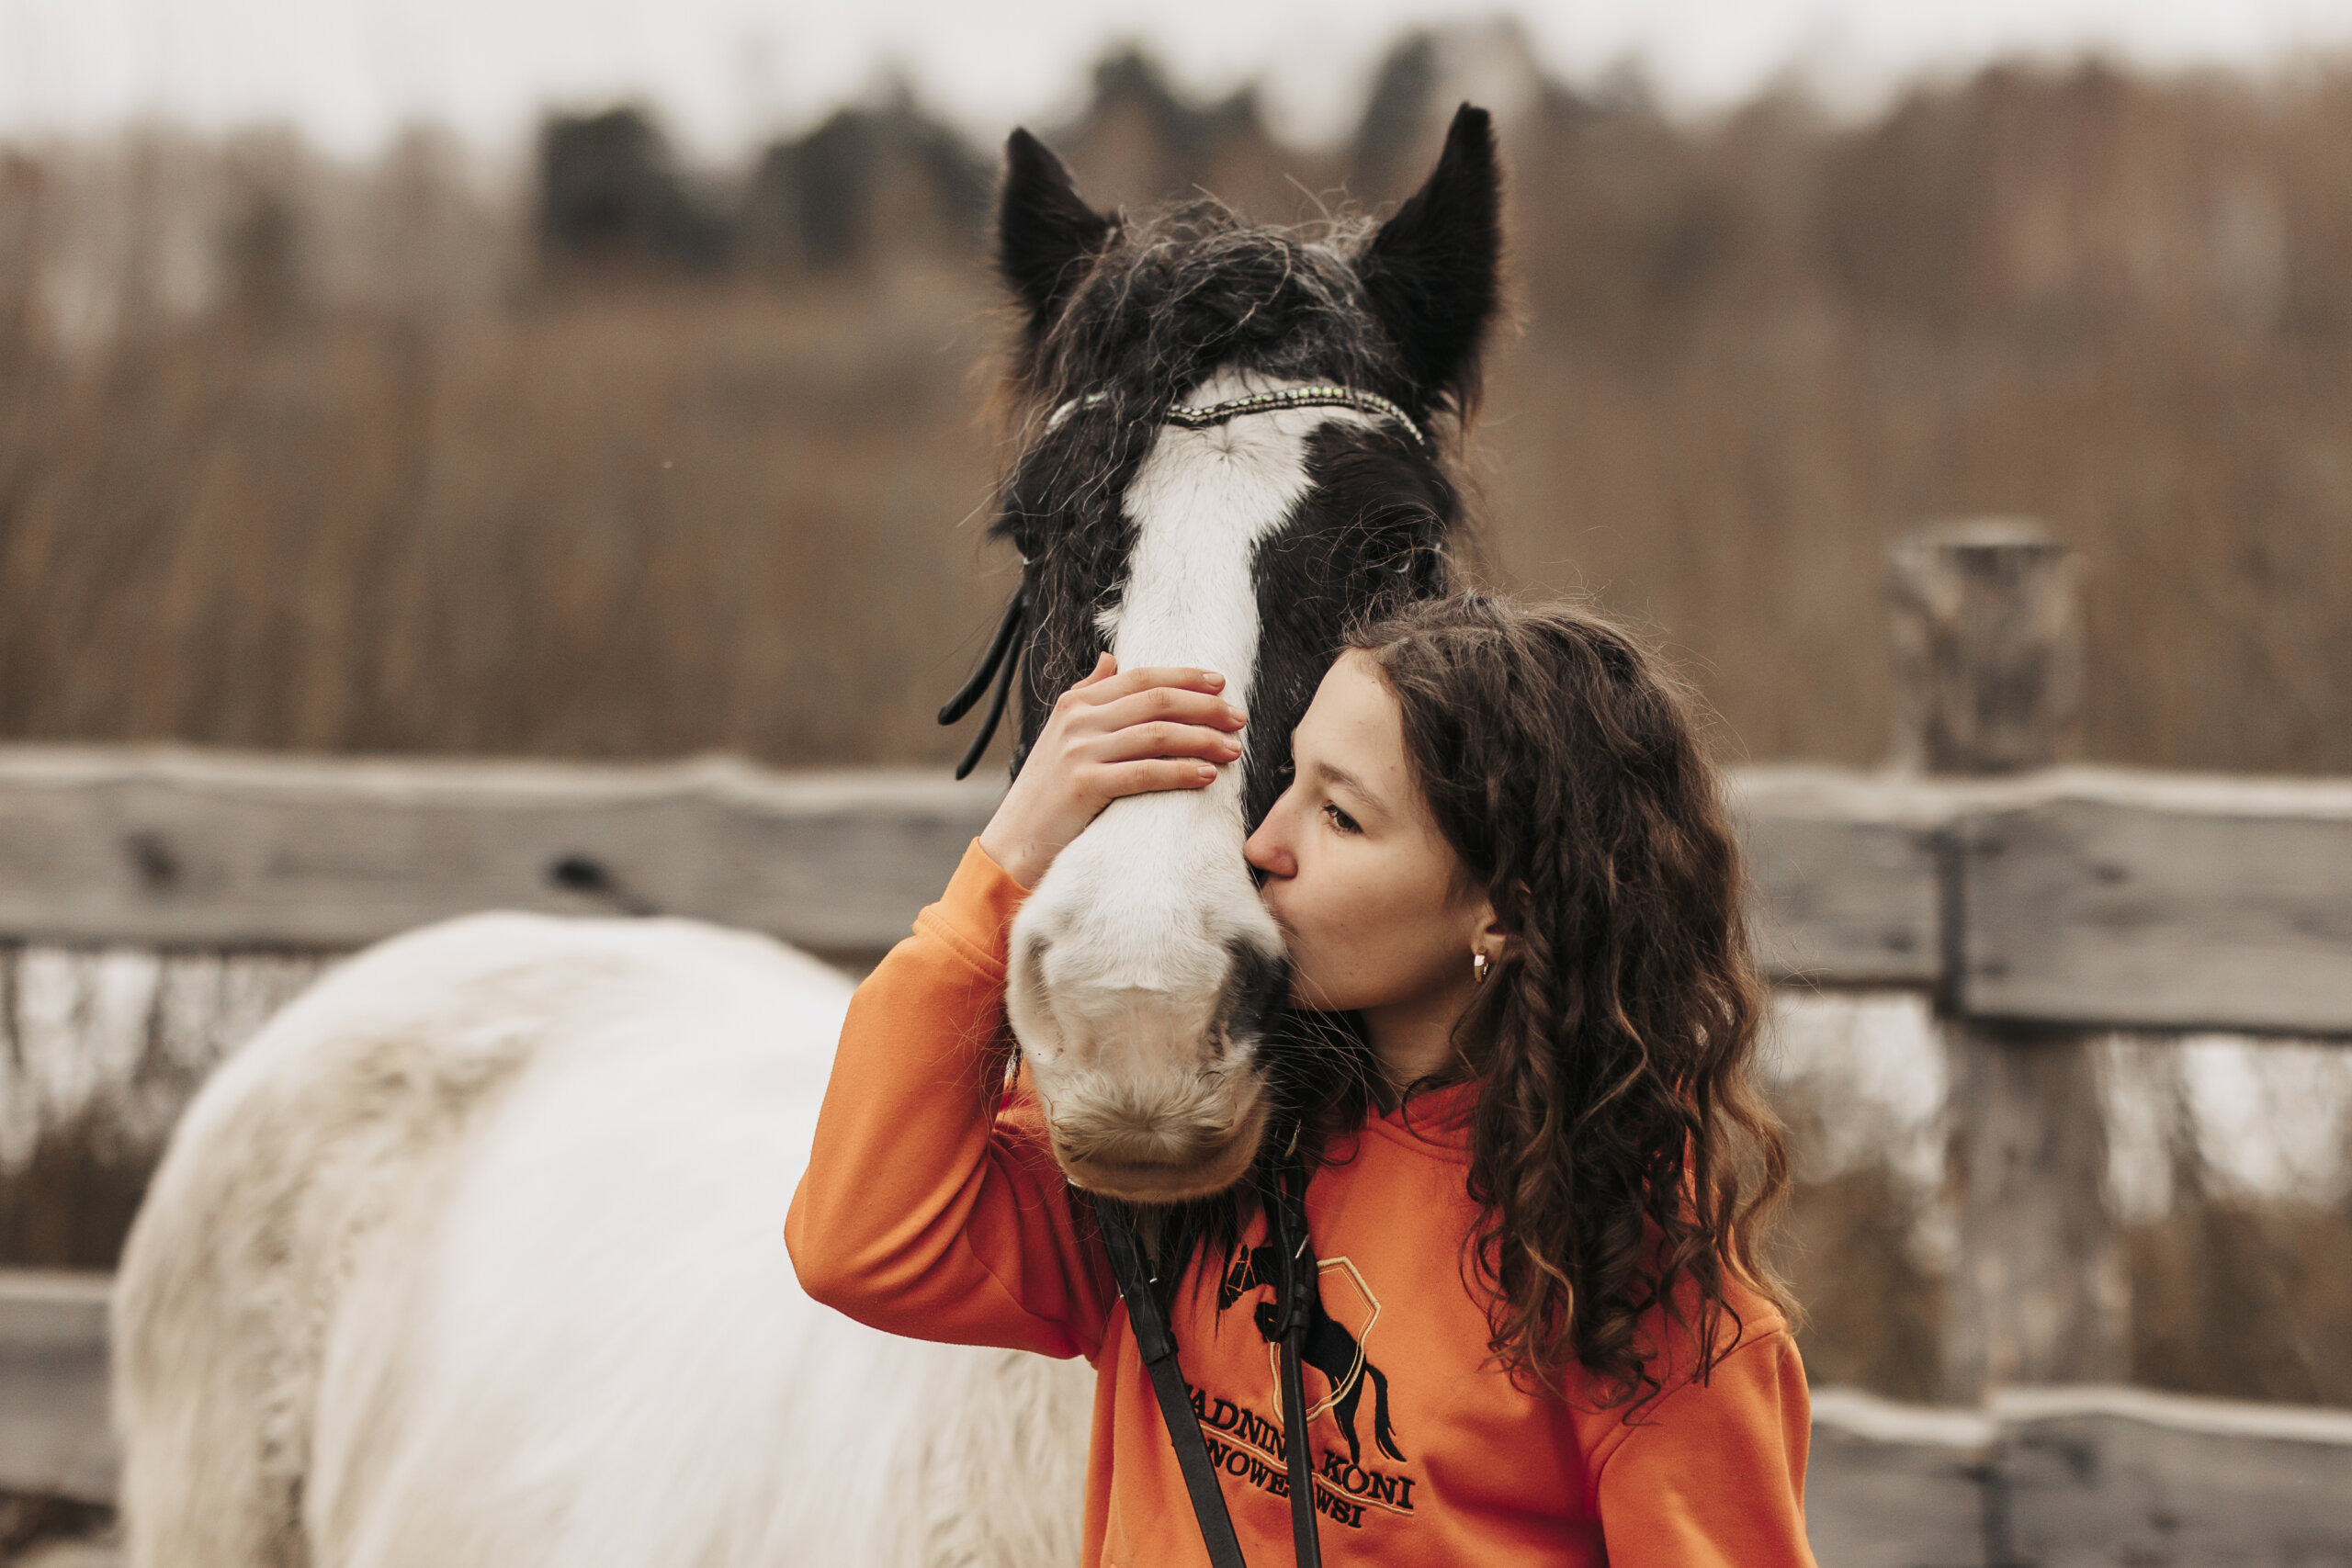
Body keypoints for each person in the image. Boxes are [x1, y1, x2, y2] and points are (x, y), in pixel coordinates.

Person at [787, 592, 1815, 1567]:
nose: (1264, 844)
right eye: (1288, 781)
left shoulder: (1631, 1286)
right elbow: (861, 1244)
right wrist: (1010, 856)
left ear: (1503, 912)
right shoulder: (1213, 1145)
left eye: (1341, 818)